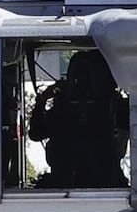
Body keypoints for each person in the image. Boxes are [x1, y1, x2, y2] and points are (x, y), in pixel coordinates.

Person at [28, 50, 129, 188]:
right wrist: (43, 100)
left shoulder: (115, 108)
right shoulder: (63, 110)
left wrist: (43, 100)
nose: (81, 82)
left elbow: (36, 133)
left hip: (100, 183)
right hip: (76, 183)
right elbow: (36, 133)